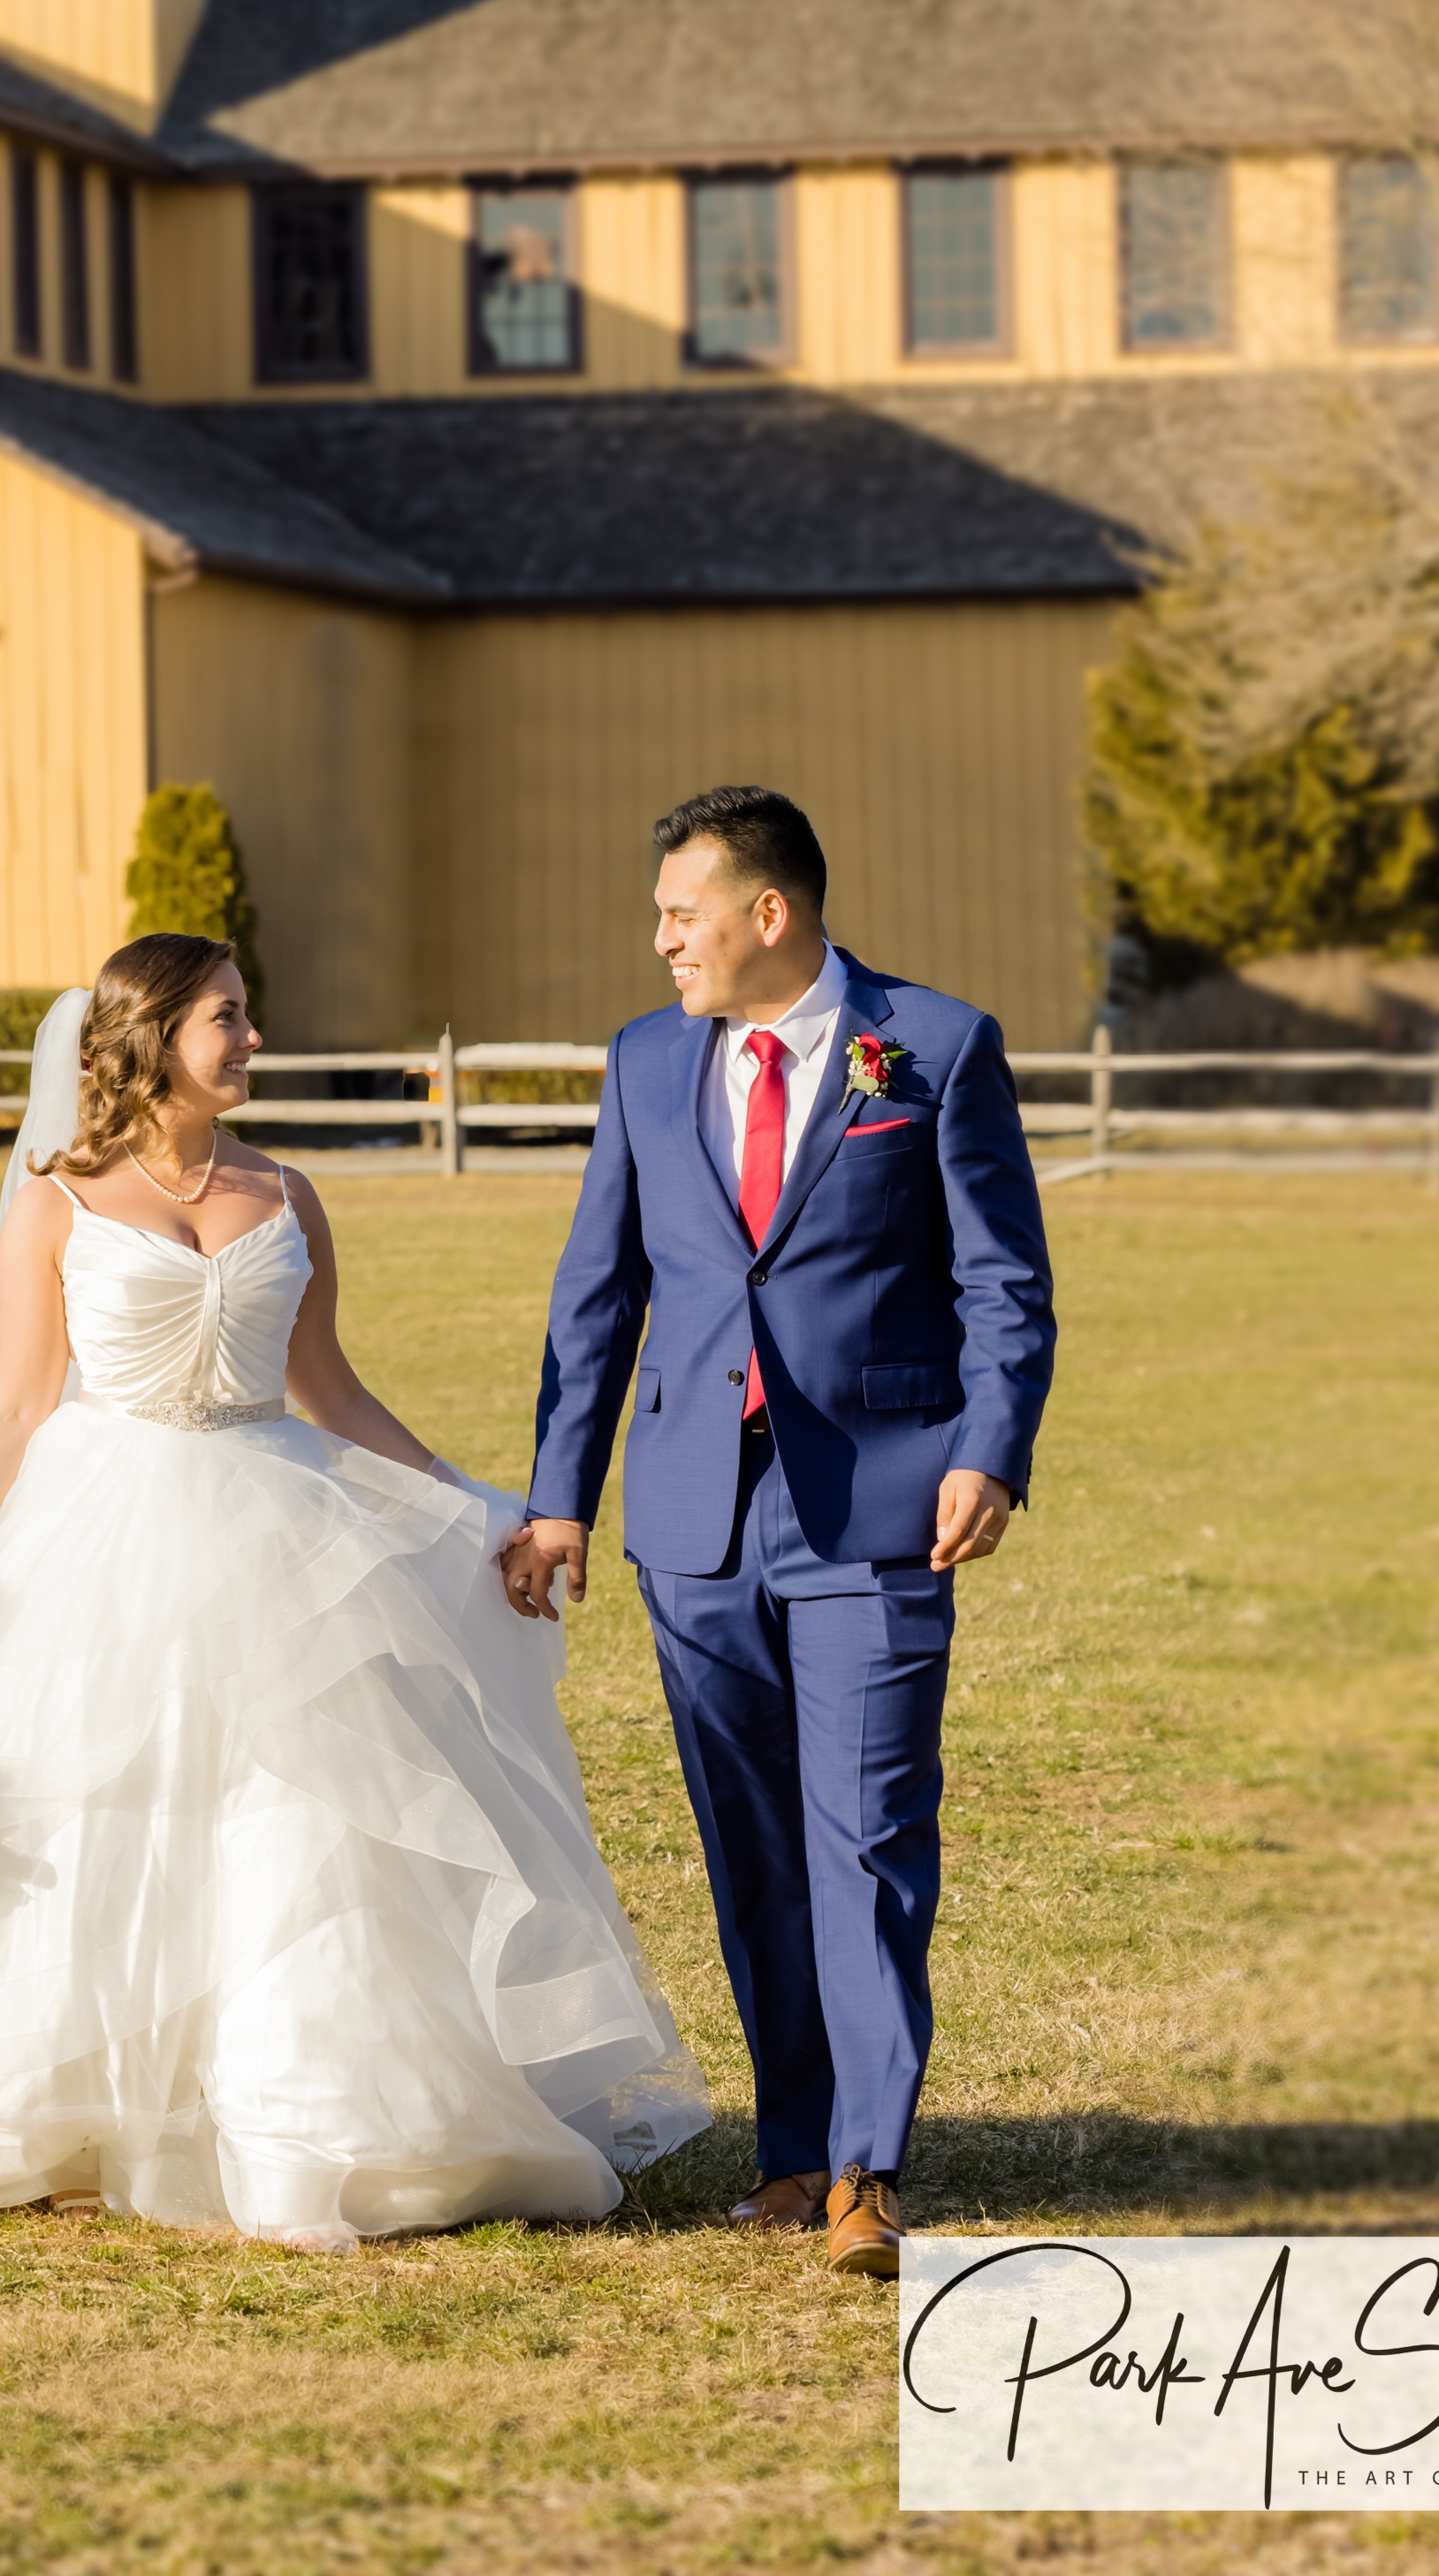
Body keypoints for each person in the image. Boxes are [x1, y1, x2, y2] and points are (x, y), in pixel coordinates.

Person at [0, 933, 708, 2251]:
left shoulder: (287, 1191)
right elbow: (11, 1412)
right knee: (77, 1807)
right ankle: (48, 2112)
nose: (253, 1039)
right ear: (154, 1034)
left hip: (272, 1517)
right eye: (228, 1017)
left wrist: (476, 1508)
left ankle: (303, 2115)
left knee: (291, 1816)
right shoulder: (57, 1198)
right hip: (95, 1529)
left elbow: (327, 1389)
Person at [521, 787, 1055, 2281]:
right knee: (753, 1846)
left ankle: (870, 2175)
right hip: (694, 1518)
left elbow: (1002, 1281)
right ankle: (793, 2150)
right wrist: (563, 1494)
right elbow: (597, 1293)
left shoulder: (929, 1049)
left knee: (870, 1835)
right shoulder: (643, 1060)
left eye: (680, 913)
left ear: (771, 915)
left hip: (882, 1508)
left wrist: (990, 1453)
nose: (659, 939)